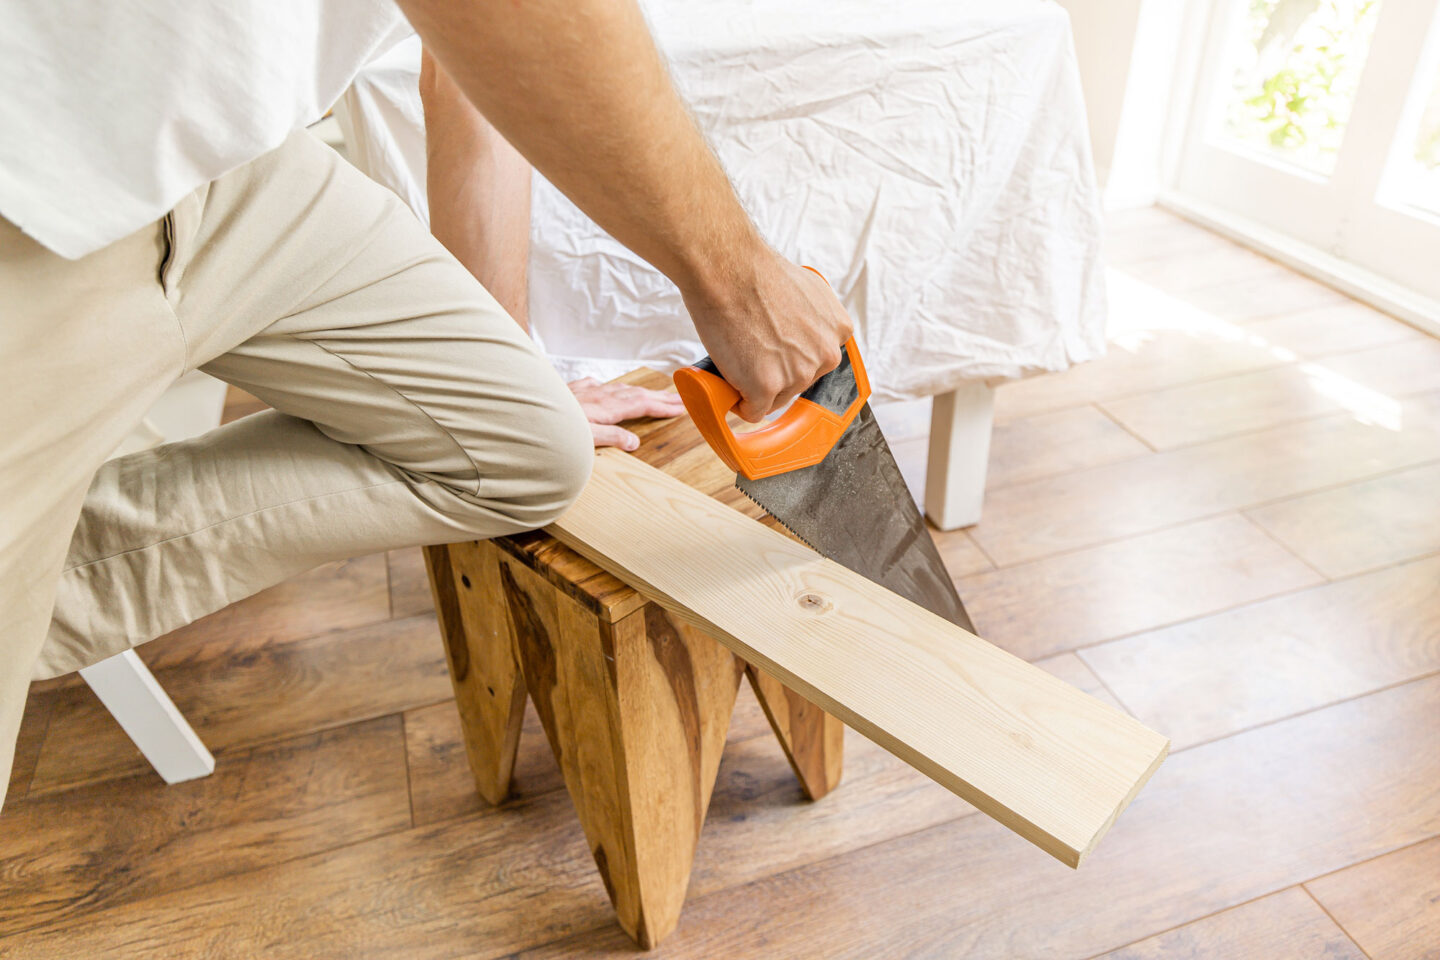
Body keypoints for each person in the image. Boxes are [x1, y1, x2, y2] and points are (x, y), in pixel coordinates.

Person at [0, 0, 852, 811]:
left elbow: (470, 73)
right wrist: (738, 281)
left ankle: (27, 581)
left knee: (525, 450)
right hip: (36, 191)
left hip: (233, 165)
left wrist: (514, 355)